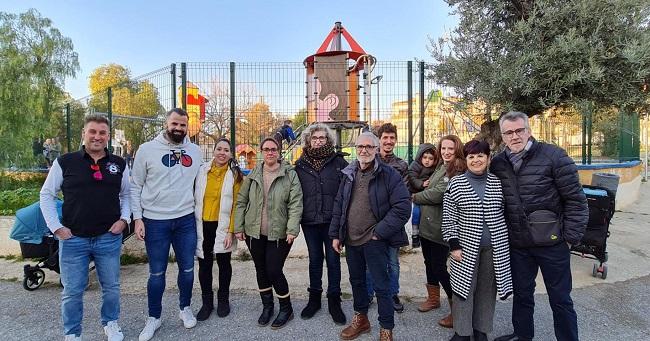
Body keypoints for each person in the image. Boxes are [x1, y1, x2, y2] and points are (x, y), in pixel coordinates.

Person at [491, 111, 588, 341]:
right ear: (503, 136)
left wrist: (569, 238)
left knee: (560, 298)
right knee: (522, 295)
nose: (515, 136)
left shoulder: (554, 156)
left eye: (519, 130)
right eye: (509, 132)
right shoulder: (498, 163)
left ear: (528, 130)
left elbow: (576, 200)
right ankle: (522, 335)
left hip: (553, 244)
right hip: (518, 244)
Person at [40, 114, 130, 341]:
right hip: (73, 239)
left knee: (111, 287)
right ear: (84, 134)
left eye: (102, 132)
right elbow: (46, 195)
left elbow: (128, 194)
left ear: (108, 136)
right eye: (93, 131)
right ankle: (72, 333)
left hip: (108, 237)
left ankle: (110, 323)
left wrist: (124, 219)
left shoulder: (118, 164)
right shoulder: (65, 162)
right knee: (72, 291)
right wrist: (56, 227)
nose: (97, 137)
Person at [330, 132, 411, 341]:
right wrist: (336, 235)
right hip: (351, 239)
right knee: (357, 282)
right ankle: (361, 319)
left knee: (381, 286)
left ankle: (386, 328)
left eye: (368, 147)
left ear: (376, 149)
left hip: (375, 241)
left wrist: (379, 233)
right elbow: (339, 204)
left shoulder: (389, 175)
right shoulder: (349, 173)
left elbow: (402, 207)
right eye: (360, 147)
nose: (363, 150)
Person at [130, 108, 203, 341]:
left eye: (183, 125)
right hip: (155, 220)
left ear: (187, 126)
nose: (178, 128)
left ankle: (185, 308)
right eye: (174, 124)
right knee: (157, 272)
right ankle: (154, 317)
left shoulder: (195, 151)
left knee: (188, 269)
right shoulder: (147, 150)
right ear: (166, 123)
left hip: (185, 219)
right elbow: (135, 186)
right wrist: (138, 218)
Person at [441, 139, 513, 341]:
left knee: (486, 290)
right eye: (471, 156)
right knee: (463, 289)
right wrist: (454, 245)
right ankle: (462, 332)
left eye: (480, 155)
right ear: (466, 160)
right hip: (465, 249)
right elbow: (448, 218)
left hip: (494, 249)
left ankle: (481, 330)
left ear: (488, 158)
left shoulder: (497, 183)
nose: (476, 160)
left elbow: (506, 212)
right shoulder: (457, 183)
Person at [234, 137, 303, 330]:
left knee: (273, 270)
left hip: (279, 233)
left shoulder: (289, 174)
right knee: (261, 269)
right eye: (266, 149)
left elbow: (296, 203)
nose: (270, 152)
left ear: (279, 152)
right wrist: (238, 227)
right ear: (262, 151)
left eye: (273, 149)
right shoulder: (254, 173)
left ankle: (286, 308)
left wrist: (292, 229)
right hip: (254, 232)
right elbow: (241, 201)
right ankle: (267, 307)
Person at [294, 123, 348, 324]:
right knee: (315, 260)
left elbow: (345, 194)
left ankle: (334, 300)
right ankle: (314, 298)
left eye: (322, 138)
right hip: (310, 221)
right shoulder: (300, 165)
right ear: (309, 141)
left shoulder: (339, 163)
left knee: (333, 261)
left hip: (332, 221)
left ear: (328, 140)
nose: (318, 141)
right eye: (314, 138)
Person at [412, 134, 466, 328]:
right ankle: (433, 299)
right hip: (429, 227)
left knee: (440, 268)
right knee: (429, 264)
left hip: (441, 228)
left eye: (450, 148)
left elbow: (437, 194)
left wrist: (414, 197)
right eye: (443, 148)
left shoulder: (457, 169)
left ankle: (457, 310)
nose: (446, 152)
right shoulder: (441, 167)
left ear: (457, 149)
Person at [194, 138, 244, 320]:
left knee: (224, 264)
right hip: (203, 224)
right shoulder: (202, 171)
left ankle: (223, 300)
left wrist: (231, 230)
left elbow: (237, 205)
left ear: (231, 154)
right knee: (204, 264)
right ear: (214, 151)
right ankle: (207, 303)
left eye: (226, 150)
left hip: (223, 226)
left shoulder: (235, 175)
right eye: (219, 149)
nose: (222, 153)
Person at [366, 122, 409, 313]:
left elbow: (404, 195)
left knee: (393, 262)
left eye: (392, 138)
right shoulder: (369, 162)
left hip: (392, 223)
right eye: (385, 138)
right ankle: (368, 294)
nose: (389, 141)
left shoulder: (401, 165)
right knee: (370, 262)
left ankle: (392, 293)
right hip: (370, 222)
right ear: (379, 140)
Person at [407, 143, 438, 248]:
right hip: (416, 193)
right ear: (420, 157)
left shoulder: (435, 168)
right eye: (425, 157)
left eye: (430, 158)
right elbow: (411, 177)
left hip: (426, 195)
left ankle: (424, 234)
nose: (427, 160)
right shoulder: (415, 165)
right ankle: (415, 234)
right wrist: (421, 183)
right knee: (416, 213)